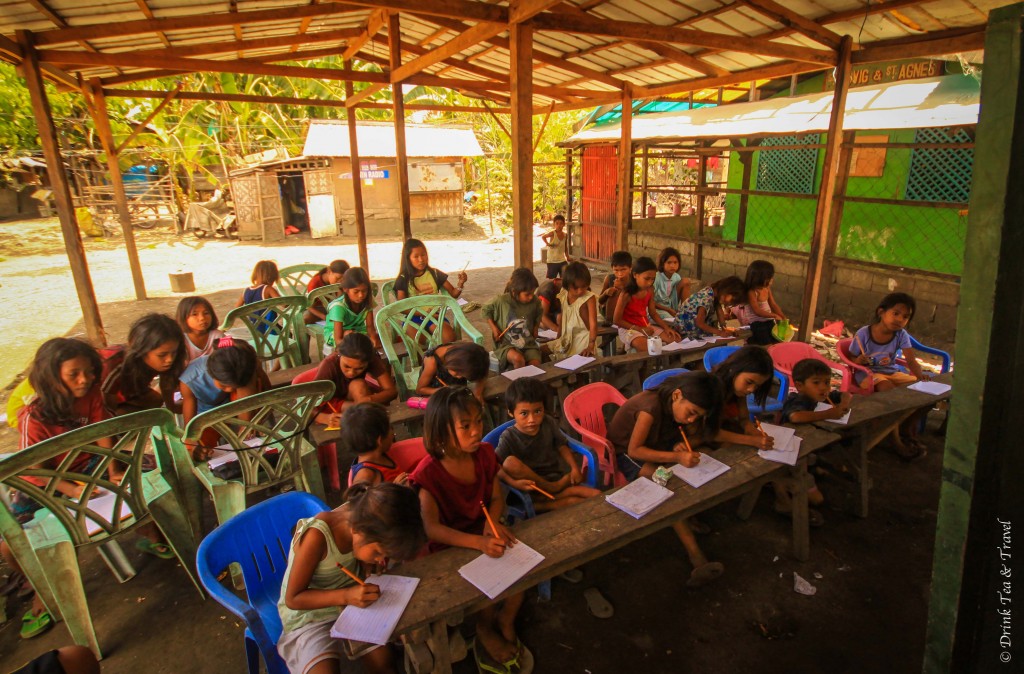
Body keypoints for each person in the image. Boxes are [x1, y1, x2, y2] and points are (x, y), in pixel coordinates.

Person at [410, 387, 529, 672]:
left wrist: (492, 522)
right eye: (466, 426)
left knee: (522, 571)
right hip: (448, 546)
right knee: (489, 579)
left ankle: (506, 620)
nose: (477, 431)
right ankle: (485, 627)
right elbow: (432, 529)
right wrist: (478, 542)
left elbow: (496, 498)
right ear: (439, 434)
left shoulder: (485, 454)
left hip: (481, 531)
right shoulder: (427, 474)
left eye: (478, 421)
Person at [276, 482, 427, 674]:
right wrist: (347, 596)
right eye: (379, 553)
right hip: (310, 614)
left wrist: (366, 565)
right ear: (359, 531)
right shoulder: (317, 536)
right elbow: (293, 598)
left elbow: (365, 551)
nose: (381, 560)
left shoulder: (364, 519)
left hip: (354, 603)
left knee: (384, 666)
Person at [607, 372, 725, 587]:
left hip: (655, 445)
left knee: (696, 464)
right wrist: (677, 456)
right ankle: (695, 554)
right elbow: (636, 449)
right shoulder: (649, 409)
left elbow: (671, 433)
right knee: (666, 485)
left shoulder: (674, 403)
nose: (691, 420)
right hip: (625, 454)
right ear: (677, 395)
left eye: (697, 416)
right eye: (691, 413)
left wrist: (676, 446)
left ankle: (688, 518)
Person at [714, 347, 826, 524]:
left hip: (728, 433)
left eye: (757, 386)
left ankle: (782, 495)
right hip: (707, 440)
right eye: (749, 382)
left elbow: (744, 420)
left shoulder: (739, 390)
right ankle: (782, 496)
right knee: (760, 458)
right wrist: (752, 440)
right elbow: (710, 433)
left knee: (772, 455)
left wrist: (756, 432)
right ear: (733, 369)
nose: (751, 389)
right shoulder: (712, 389)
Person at [848, 292, 931, 458]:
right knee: (891, 393)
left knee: (927, 394)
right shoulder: (864, 333)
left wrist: (920, 376)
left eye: (906, 317)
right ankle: (896, 440)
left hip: (891, 372)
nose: (900, 319)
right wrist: (859, 359)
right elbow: (850, 359)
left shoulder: (901, 335)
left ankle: (904, 427)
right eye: (896, 313)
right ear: (881, 312)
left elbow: (911, 360)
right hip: (868, 375)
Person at [496, 379, 600, 511]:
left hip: (555, 479)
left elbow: (561, 445)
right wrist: (514, 483)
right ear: (511, 412)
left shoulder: (548, 422)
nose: (532, 419)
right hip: (531, 490)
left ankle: (544, 501)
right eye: (524, 413)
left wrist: (574, 468)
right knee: (510, 463)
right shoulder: (508, 437)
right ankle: (544, 499)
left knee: (596, 495)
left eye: (538, 411)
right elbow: (494, 466)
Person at [179, 338, 270, 458]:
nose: (230, 390)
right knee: (198, 449)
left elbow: (262, 390)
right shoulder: (190, 380)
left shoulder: (241, 370)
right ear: (211, 373)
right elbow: (190, 425)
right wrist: (192, 441)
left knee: (247, 385)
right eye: (224, 385)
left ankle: (247, 428)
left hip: (236, 409)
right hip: (207, 416)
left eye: (235, 386)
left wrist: (245, 426)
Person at [102, 313, 186, 415]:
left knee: (156, 400)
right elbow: (107, 400)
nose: (170, 359)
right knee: (122, 416)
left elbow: (167, 383)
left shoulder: (166, 359)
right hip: (101, 400)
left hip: (132, 392)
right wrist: (115, 419)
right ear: (142, 351)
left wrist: (171, 407)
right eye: (162, 355)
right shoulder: (117, 365)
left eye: (174, 352)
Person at [309, 333, 398, 427]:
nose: (351, 373)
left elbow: (392, 391)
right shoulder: (328, 365)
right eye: (347, 366)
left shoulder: (372, 359)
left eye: (359, 368)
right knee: (368, 413)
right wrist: (324, 418)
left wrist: (368, 399)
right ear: (339, 353)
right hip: (331, 404)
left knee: (358, 386)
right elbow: (306, 405)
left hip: (355, 399)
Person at [394, 238, 467, 343]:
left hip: (435, 317)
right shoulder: (403, 279)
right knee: (417, 341)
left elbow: (454, 293)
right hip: (412, 317)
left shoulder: (435, 274)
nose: (421, 259)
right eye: (416, 256)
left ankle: (437, 358)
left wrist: (461, 282)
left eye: (423, 255)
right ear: (408, 259)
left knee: (449, 338)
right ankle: (421, 360)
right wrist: (424, 313)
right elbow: (402, 307)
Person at [612, 256, 680, 353]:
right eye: (647, 278)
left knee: (675, 340)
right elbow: (616, 320)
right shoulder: (626, 294)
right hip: (628, 329)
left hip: (646, 326)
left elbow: (653, 313)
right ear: (635, 275)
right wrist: (640, 330)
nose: (650, 282)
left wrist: (666, 328)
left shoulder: (650, 290)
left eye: (652, 279)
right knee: (648, 348)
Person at [483, 267, 544, 371]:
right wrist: (494, 328)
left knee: (535, 364)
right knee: (518, 359)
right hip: (506, 344)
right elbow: (485, 310)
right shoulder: (501, 300)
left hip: (528, 343)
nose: (531, 297)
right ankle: (520, 385)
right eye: (527, 294)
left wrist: (535, 327)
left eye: (532, 293)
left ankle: (529, 385)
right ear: (515, 291)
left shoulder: (535, 302)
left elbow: (539, 313)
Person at [340, 403, 407, 487]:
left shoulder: (380, 454)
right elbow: (358, 499)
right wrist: (394, 488)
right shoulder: (365, 474)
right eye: (390, 429)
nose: (393, 434)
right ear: (380, 440)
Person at [547, 261, 599, 359]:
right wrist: (558, 337)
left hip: (583, 340)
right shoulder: (564, 294)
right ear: (567, 285)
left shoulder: (589, 298)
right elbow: (563, 316)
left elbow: (593, 324)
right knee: (544, 352)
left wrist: (591, 345)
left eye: (584, 287)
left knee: (580, 366)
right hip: (566, 338)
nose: (580, 291)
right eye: (575, 288)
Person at [780, 358, 853, 424]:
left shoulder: (824, 395)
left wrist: (844, 404)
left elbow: (846, 394)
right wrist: (828, 414)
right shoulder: (797, 400)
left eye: (827, 382)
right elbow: (795, 417)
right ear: (800, 386)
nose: (823, 387)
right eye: (816, 383)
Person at [324, 267, 378, 355]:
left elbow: (370, 327)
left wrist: (373, 339)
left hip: (357, 330)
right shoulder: (338, 307)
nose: (361, 295)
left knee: (377, 339)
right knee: (353, 343)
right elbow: (338, 340)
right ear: (346, 289)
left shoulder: (368, 301)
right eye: (356, 292)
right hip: (336, 333)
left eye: (364, 291)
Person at [415, 341, 490, 403]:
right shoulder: (432, 361)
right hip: (436, 393)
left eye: (464, 376)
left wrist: (478, 393)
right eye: (459, 373)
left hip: (456, 390)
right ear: (455, 363)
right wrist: (442, 390)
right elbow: (420, 389)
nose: (460, 377)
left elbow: (482, 374)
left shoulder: (469, 352)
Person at [674, 276, 745, 340]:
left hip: (694, 328)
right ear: (726, 290)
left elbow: (718, 309)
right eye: (731, 301)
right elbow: (699, 323)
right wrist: (720, 333)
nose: (728, 304)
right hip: (686, 331)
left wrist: (724, 328)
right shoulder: (706, 298)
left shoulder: (713, 293)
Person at [735, 260, 787, 345]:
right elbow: (757, 311)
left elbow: (773, 305)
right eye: (769, 278)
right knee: (766, 345)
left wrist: (783, 316)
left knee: (777, 342)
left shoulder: (766, 289)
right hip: (757, 324)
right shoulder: (751, 292)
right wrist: (774, 315)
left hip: (769, 321)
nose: (772, 280)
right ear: (760, 278)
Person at [176, 296, 225, 364]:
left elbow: (228, 356)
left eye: (206, 313)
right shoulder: (181, 340)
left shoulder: (218, 335)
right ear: (184, 318)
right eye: (194, 314)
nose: (202, 318)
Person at [304, 259, 350, 324]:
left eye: (343, 279)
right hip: (317, 309)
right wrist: (325, 317)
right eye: (337, 278)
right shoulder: (314, 283)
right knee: (305, 318)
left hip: (333, 308)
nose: (340, 281)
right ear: (329, 272)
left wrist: (340, 290)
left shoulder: (341, 282)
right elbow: (309, 306)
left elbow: (339, 300)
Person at [654, 247, 691, 321]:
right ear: (662, 263)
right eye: (669, 262)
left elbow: (675, 296)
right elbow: (650, 301)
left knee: (686, 281)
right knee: (672, 320)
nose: (672, 266)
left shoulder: (676, 277)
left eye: (675, 262)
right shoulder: (656, 277)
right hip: (658, 308)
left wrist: (672, 309)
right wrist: (668, 309)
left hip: (672, 307)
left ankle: (687, 312)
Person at [597, 250, 632, 322]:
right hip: (609, 312)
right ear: (612, 268)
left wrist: (623, 288)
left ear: (630, 268)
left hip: (628, 309)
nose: (620, 273)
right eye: (616, 270)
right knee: (614, 293)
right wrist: (606, 293)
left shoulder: (634, 280)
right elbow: (600, 301)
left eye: (623, 270)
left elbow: (636, 298)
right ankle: (610, 322)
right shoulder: (609, 278)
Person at [541, 213, 569, 280]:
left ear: (564, 224)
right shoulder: (552, 234)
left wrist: (567, 256)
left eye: (561, 223)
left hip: (562, 260)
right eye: (557, 223)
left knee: (565, 278)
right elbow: (543, 237)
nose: (559, 225)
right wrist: (547, 243)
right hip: (552, 261)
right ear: (554, 224)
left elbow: (565, 247)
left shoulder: (565, 235)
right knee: (552, 280)